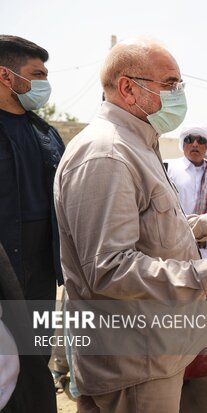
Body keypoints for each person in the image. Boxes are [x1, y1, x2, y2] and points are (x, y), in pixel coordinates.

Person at [54, 38, 207, 413]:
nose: (178, 94)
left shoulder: (137, 144)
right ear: (128, 88)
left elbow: (150, 228)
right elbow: (109, 269)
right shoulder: (107, 153)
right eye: (169, 83)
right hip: (134, 362)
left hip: (153, 349)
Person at [0, 34, 63, 413]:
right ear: (6, 76)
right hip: (2, 279)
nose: (44, 83)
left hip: (41, 277)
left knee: (36, 362)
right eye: (36, 74)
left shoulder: (48, 134)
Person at [166, 124, 207, 259]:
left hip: (206, 243)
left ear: (206, 147)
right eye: (189, 139)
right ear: (183, 144)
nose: (195, 144)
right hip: (173, 239)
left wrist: (203, 226)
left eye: (200, 140)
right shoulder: (169, 167)